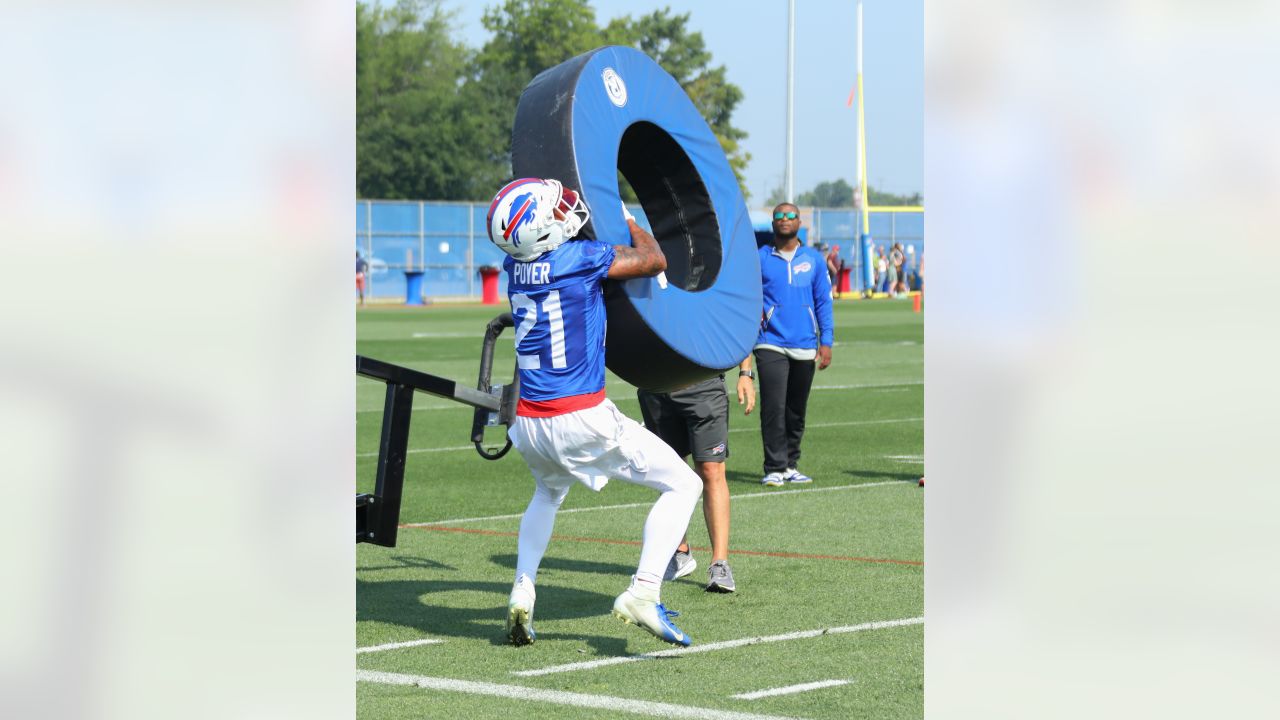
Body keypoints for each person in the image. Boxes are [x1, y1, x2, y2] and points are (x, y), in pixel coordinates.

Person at [487, 178, 702, 648]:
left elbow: (540, 236)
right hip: (579, 415)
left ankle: (523, 588)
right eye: (553, 212)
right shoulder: (577, 259)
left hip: (529, 420)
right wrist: (624, 218)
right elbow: (654, 260)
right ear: (541, 233)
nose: (565, 211)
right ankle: (644, 591)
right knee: (685, 483)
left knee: (547, 493)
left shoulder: (513, 265)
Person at [637, 357, 755, 594]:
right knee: (670, 472)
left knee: (711, 470)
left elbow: (737, 322)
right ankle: (680, 552)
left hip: (704, 386)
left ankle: (719, 563)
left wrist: (746, 373)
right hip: (656, 386)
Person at [754, 203, 834, 487]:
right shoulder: (760, 258)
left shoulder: (813, 259)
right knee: (773, 407)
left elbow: (823, 301)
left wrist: (827, 341)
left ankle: (790, 465)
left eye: (790, 216)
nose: (784, 219)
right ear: (773, 223)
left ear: (799, 222)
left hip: (805, 344)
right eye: (779, 216)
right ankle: (774, 467)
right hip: (769, 343)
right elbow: (749, 299)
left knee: (796, 410)